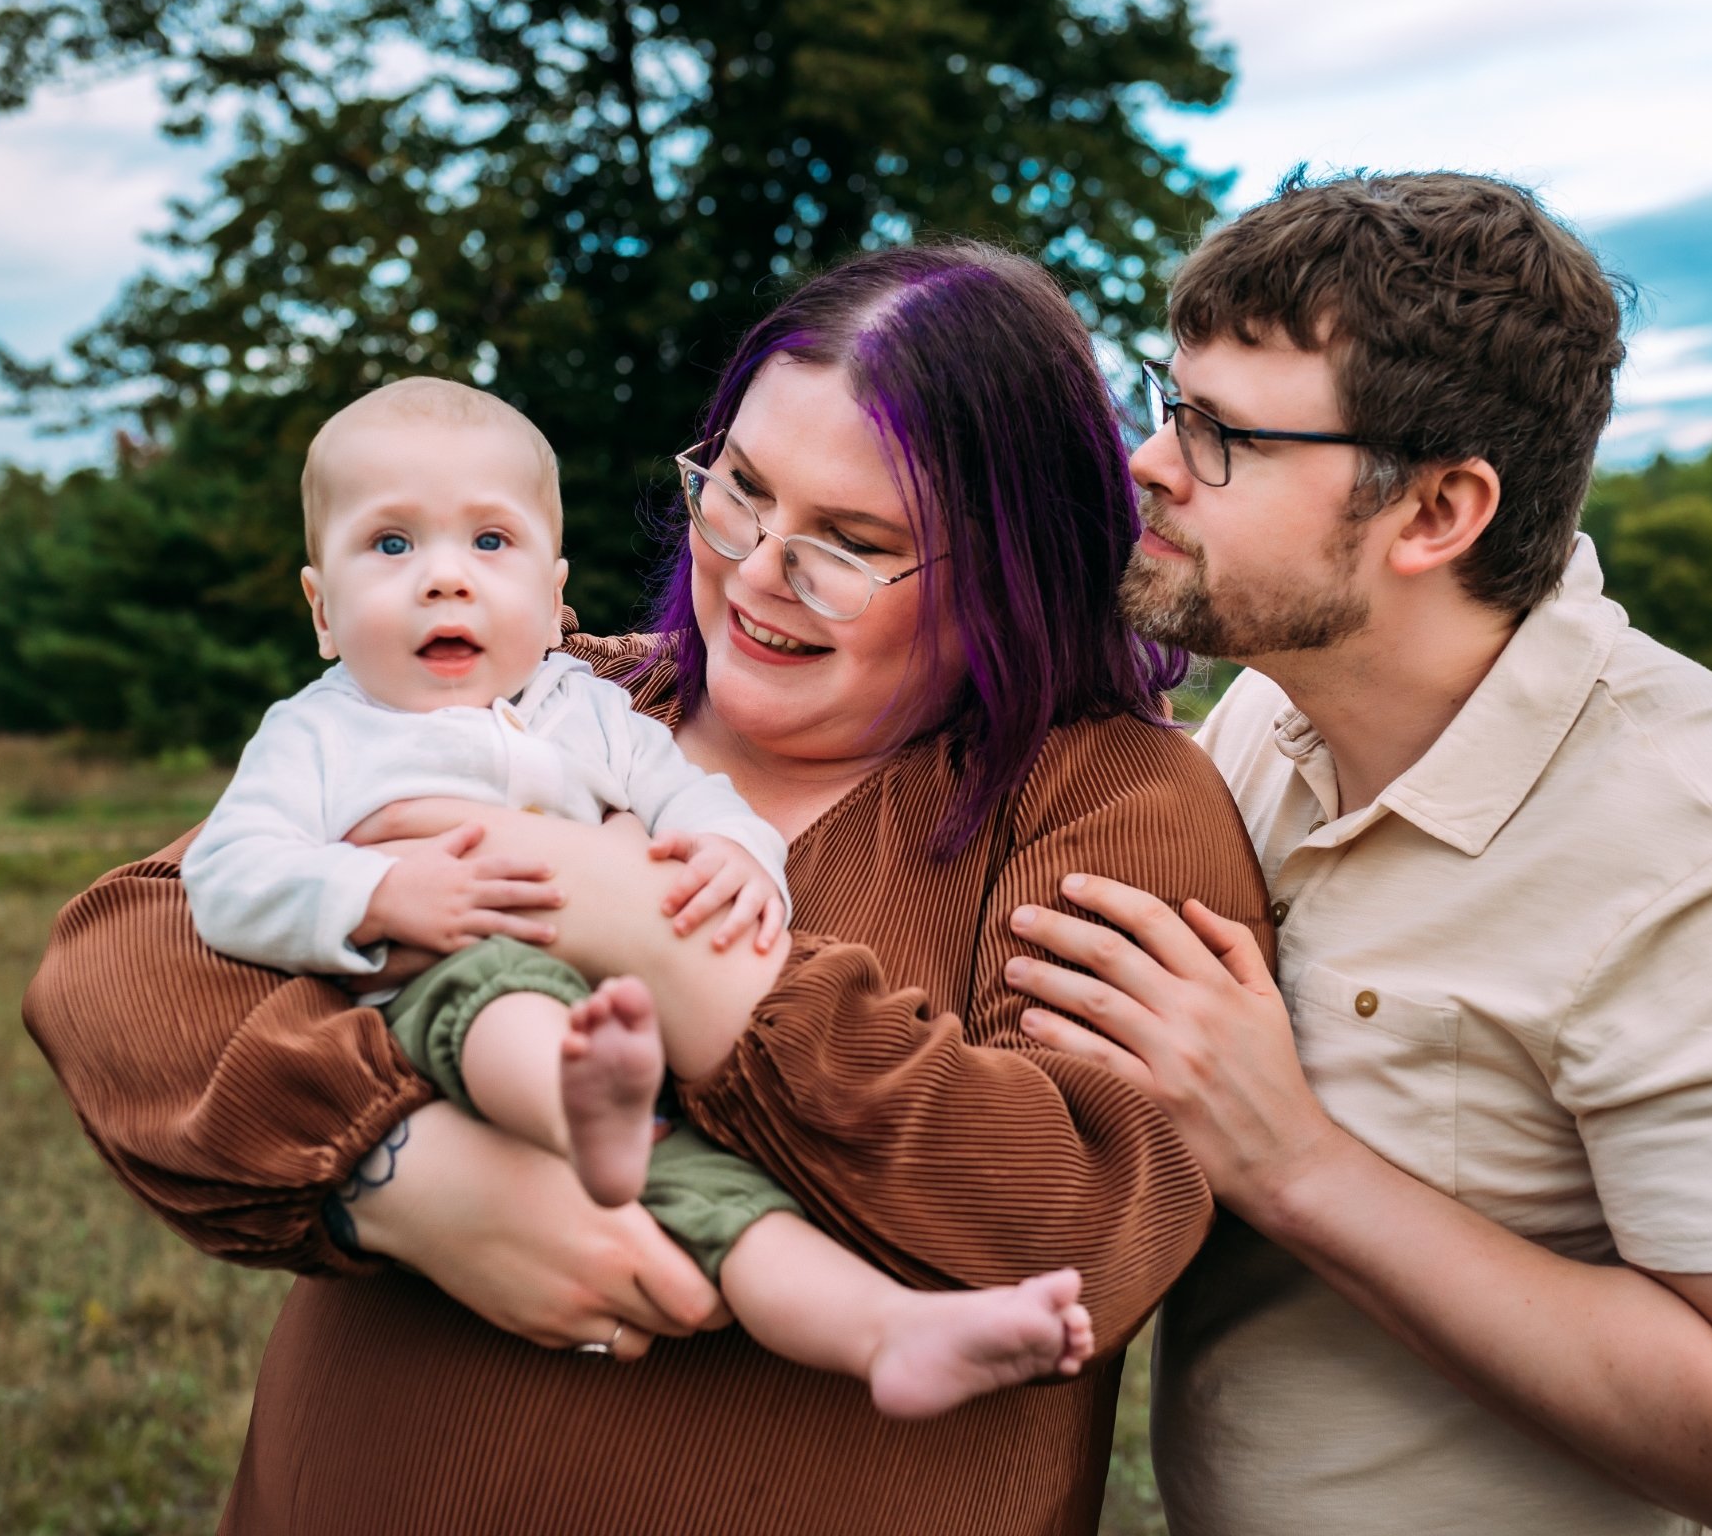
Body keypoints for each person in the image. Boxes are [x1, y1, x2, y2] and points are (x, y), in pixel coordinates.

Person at [21, 241, 1272, 1534]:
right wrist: (404, 1175)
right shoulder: (569, 692)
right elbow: (121, 963)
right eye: (740, 492)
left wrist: (660, 944)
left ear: (1017, 569)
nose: (757, 567)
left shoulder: (1110, 801)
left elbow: (1087, 1220)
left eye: (853, 541)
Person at [1008, 172, 1712, 1536]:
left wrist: (1297, 1167)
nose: (1148, 461)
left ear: (1435, 515)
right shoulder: (1272, 710)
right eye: (1167, 401)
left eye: (1223, 437)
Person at [179, 374, 1096, 1418]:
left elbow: (695, 798)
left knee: (734, 1210)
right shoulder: (321, 730)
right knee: (501, 1000)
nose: (445, 580)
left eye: (491, 543)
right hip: (433, 999)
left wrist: (738, 857)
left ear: (554, 590)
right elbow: (224, 874)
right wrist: (381, 889)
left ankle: (885, 1329)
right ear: (322, 611)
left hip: (617, 1040)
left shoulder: (588, 706)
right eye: (391, 546)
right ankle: (586, 1099)